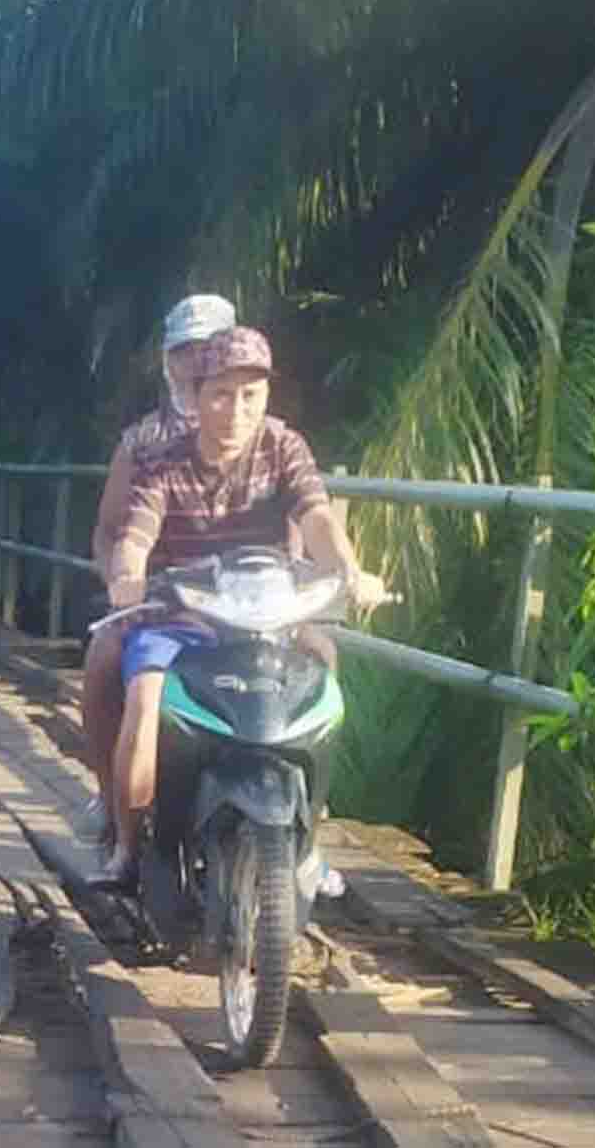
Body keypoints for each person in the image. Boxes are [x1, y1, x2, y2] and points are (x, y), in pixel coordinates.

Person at [90, 325, 385, 887]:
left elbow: (316, 515)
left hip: (269, 616)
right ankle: (128, 845)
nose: (235, 410)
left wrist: (347, 567)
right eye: (220, 394)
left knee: (324, 673)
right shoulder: (162, 460)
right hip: (183, 615)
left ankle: (306, 845)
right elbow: (134, 535)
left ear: (267, 397)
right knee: (146, 693)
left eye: (250, 395)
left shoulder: (283, 446)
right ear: (196, 398)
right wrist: (127, 577)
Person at [73, 295, 236, 848]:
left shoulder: (263, 432)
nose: (195, 364)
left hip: (248, 600)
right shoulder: (143, 442)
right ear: (167, 362)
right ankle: (112, 801)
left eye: (207, 350)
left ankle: (307, 820)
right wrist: (121, 587)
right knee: (102, 662)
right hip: (160, 598)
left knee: (322, 655)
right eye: (183, 352)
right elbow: (109, 529)